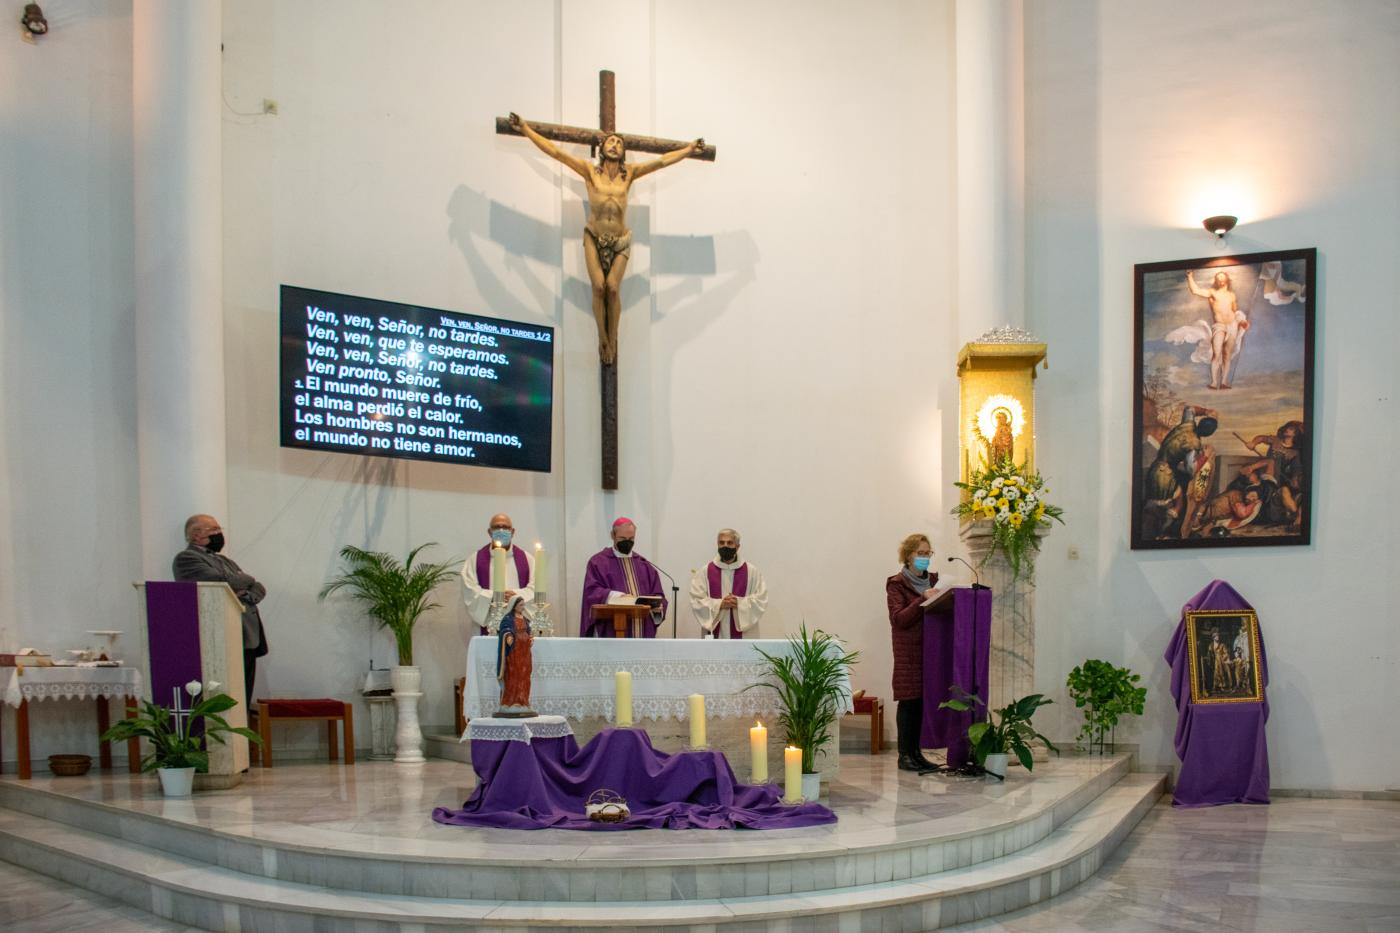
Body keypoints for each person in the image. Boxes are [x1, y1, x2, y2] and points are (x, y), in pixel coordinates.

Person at [509, 112, 704, 365]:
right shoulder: (590, 172)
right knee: (599, 287)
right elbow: (556, 153)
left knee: (612, 289)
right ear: (601, 148)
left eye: (619, 143)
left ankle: (613, 339)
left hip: (620, 239)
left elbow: (662, 162)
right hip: (594, 236)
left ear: (623, 152)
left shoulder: (629, 174)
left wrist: (688, 149)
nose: (615, 145)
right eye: (610, 141)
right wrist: (525, 128)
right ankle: (602, 338)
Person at [173, 514, 268, 701]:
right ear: (195, 535)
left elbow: (258, 586)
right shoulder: (186, 558)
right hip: (219, 633)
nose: (219, 534)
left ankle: (242, 721)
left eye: (219, 529)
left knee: (243, 696)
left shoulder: (225, 561)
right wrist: (244, 580)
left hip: (246, 634)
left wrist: (246, 593)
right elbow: (220, 581)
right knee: (225, 695)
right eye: (214, 530)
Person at [886, 533, 941, 772]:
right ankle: (904, 755)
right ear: (908, 555)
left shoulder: (936, 581)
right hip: (908, 650)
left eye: (928, 553)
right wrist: (922, 599)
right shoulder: (897, 584)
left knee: (922, 702)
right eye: (920, 553)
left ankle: (917, 753)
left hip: (932, 648)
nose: (925, 558)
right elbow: (899, 618)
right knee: (909, 701)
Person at [579, 517, 666, 637]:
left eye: (631, 539)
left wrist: (657, 607)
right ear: (613, 536)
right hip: (611, 630)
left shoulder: (644, 564)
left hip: (642, 633)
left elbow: (658, 596)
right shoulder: (598, 563)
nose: (627, 542)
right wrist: (617, 597)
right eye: (622, 538)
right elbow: (591, 591)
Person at [461, 513, 536, 636]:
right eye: (497, 527)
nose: (501, 530)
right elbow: (470, 592)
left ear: (512, 531)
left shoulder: (528, 560)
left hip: (520, 626)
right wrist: (495, 596)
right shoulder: (475, 560)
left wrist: (515, 596)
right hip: (488, 627)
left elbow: (536, 590)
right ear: (489, 532)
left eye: (505, 527)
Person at [689, 528, 768, 639]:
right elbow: (697, 601)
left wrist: (739, 603)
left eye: (730, 543)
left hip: (744, 637)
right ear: (717, 544)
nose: (725, 546)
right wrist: (720, 604)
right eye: (721, 543)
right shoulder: (705, 571)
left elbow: (761, 600)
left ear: (737, 546)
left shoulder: (752, 572)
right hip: (714, 635)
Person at [1185, 270, 1250, 389]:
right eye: (1218, 277)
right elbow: (1195, 290)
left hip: (1232, 325)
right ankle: (1214, 382)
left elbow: (1235, 311)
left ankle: (1224, 382)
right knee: (1216, 354)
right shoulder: (1212, 292)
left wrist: (1241, 321)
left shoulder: (1231, 295)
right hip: (1219, 325)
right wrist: (1190, 277)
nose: (1220, 278)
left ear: (1226, 279)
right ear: (1216, 280)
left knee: (1227, 354)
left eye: (1222, 276)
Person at [495, 596, 535, 715]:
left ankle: (523, 701)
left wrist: (530, 638)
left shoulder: (525, 619)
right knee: (514, 674)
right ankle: (511, 702)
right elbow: (504, 629)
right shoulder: (508, 618)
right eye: (521, 605)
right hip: (514, 651)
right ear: (514, 606)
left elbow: (528, 631)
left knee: (525, 675)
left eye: (523, 605)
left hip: (525, 651)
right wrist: (508, 635)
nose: (523, 607)